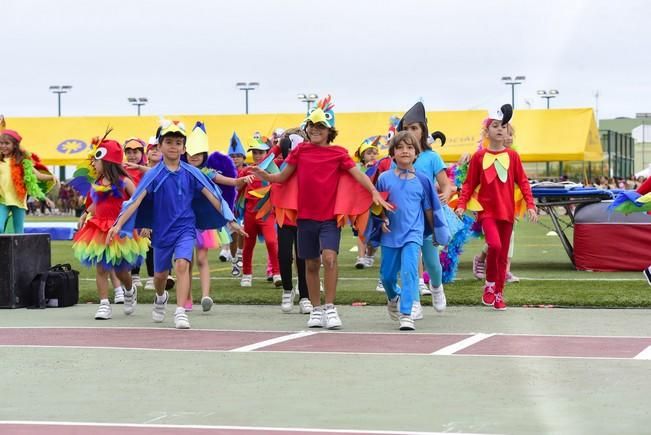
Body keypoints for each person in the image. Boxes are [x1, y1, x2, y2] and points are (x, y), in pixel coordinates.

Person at [251, 95, 392, 329]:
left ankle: (330, 308)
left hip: (329, 219)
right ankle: (315, 310)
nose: (315, 130)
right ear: (307, 129)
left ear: (329, 131)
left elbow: (358, 175)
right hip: (305, 218)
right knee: (311, 264)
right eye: (312, 126)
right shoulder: (300, 152)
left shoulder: (339, 153)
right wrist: (267, 177)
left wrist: (374, 192)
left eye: (320, 127)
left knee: (330, 258)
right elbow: (284, 177)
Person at [108, 120, 246, 329]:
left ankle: (181, 311)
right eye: (169, 142)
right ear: (160, 146)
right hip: (162, 232)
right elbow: (135, 199)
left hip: (186, 228)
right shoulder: (154, 174)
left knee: (182, 264)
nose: (174, 146)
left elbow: (213, 195)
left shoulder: (192, 172)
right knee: (160, 276)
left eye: (178, 142)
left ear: (184, 147)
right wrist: (118, 224)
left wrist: (231, 221)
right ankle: (161, 297)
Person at [455, 104, 537, 310]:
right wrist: (462, 204)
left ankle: (499, 293)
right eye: (495, 125)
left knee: (502, 256)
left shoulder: (513, 156)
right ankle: (490, 285)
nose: (500, 129)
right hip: (487, 212)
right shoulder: (479, 157)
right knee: (495, 246)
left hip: (507, 212)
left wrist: (530, 205)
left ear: (508, 131)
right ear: (487, 131)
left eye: (503, 126)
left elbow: (523, 182)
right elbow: (469, 183)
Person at [72, 136, 148, 320]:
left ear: (107, 161)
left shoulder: (124, 181)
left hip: (120, 228)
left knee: (122, 271)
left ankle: (129, 290)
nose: (94, 164)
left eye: (96, 160)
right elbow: (96, 203)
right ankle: (104, 304)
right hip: (99, 228)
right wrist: (85, 213)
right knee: (101, 268)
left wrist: (145, 223)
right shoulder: (98, 183)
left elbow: (139, 201)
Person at [376, 131, 441, 330]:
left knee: (410, 270)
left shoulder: (423, 180)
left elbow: (430, 209)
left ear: (416, 154)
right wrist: (382, 219)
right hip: (390, 235)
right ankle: (393, 295)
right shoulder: (384, 179)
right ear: (392, 153)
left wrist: (436, 232)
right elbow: (378, 206)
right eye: (400, 147)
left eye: (410, 147)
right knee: (387, 276)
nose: (405, 151)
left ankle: (407, 313)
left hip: (413, 234)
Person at [184, 122, 251, 311]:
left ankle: (205, 296)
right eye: (190, 154)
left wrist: (241, 180)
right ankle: (186, 298)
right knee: (185, 261)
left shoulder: (209, 172)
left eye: (198, 154)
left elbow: (230, 181)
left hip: (204, 222)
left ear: (204, 154)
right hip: (185, 221)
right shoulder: (181, 171)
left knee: (202, 259)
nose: (194, 157)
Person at [396, 102, 454, 317]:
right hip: (406, 217)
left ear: (423, 131)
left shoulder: (432, 157)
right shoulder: (397, 158)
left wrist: (446, 194)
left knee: (431, 261)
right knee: (409, 261)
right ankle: (413, 303)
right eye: (406, 128)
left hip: (428, 216)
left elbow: (446, 183)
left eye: (415, 128)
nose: (410, 133)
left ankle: (437, 288)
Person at [124, 136, 176, 292]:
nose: (155, 151)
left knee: (160, 242)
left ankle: (161, 275)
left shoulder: (166, 167)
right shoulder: (132, 171)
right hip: (143, 210)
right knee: (140, 240)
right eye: (152, 148)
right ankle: (136, 274)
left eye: (157, 148)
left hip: (163, 211)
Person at [472, 124, 521, 283]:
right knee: (495, 243)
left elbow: (518, 179)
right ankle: (482, 262)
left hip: (506, 206)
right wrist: (472, 203)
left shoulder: (512, 155)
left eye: (510, 134)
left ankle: (503, 272)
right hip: (486, 207)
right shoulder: (482, 153)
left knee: (507, 239)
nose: (508, 137)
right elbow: (471, 179)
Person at [239, 137, 282, 287]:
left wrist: (281, 142)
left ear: (266, 153)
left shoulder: (273, 167)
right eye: (255, 152)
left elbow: (281, 158)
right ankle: (246, 274)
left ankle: (277, 273)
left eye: (260, 152)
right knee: (248, 244)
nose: (257, 155)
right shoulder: (246, 170)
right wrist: (243, 180)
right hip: (249, 213)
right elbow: (237, 189)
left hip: (267, 213)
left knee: (272, 242)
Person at [0, 129, 57, 233]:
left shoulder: (22, 162)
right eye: (1, 143)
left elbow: (38, 176)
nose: (3, 146)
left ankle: (16, 249)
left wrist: (52, 177)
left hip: (19, 202)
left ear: (15, 145)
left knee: (19, 232)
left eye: (7, 143)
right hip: (2, 201)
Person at [353, 138, 380, 269]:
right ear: (362, 155)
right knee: (362, 231)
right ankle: (361, 257)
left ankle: (370, 255)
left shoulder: (380, 167)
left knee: (376, 234)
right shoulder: (357, 168)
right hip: (361, 205)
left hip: (377, 205)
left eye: (374, 153)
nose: (372, 155)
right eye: (369, 153)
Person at [228, 132, 247, 276]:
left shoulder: (248, 170)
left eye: (238, 156)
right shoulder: (226, 172)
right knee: (233, 236)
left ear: (243, 158)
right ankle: (234, 260)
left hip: (246, 207)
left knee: (243, 233)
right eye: (232, 156)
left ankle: (240, 254)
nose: (235, 159)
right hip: (231, 208)